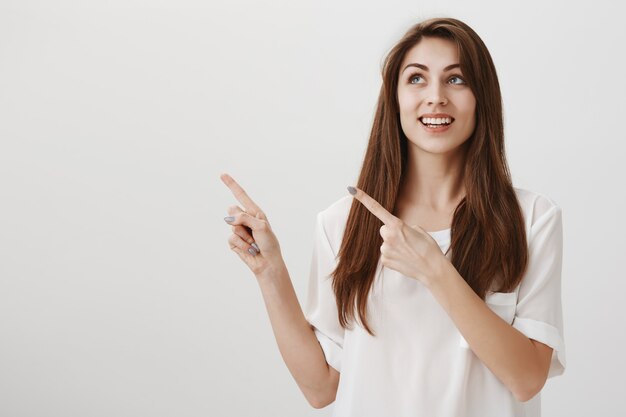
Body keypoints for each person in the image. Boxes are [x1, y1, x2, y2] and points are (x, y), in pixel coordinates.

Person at [220, 16, 565, 417]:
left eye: (456, 79)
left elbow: (526, 379)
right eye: (416, 79)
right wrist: (270, 271)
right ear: (395, 98)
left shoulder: (531, 218)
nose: (435, 97)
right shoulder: (342, 223)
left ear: (482, 97)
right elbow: (321, 388)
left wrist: (435, 270)